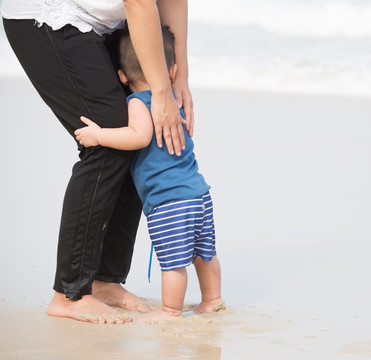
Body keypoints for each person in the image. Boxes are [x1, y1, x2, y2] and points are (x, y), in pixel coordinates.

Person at [2, 0, 194, 324]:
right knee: (111, 142)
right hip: (49, 15)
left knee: (139, 133)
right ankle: (70, 294)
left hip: (107, 20)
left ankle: (106, 280)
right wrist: (160, 92)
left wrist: (179, 78)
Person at [75, 26, 225, 320]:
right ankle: (212, 300)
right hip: (199, 194)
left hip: (168, 201)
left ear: (121, 76)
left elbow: (138, 137)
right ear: (172, 70)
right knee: (203, 254)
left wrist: (99, 135)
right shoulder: (173, 98)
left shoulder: (138, 102)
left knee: (173, 263)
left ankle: (170, 311)